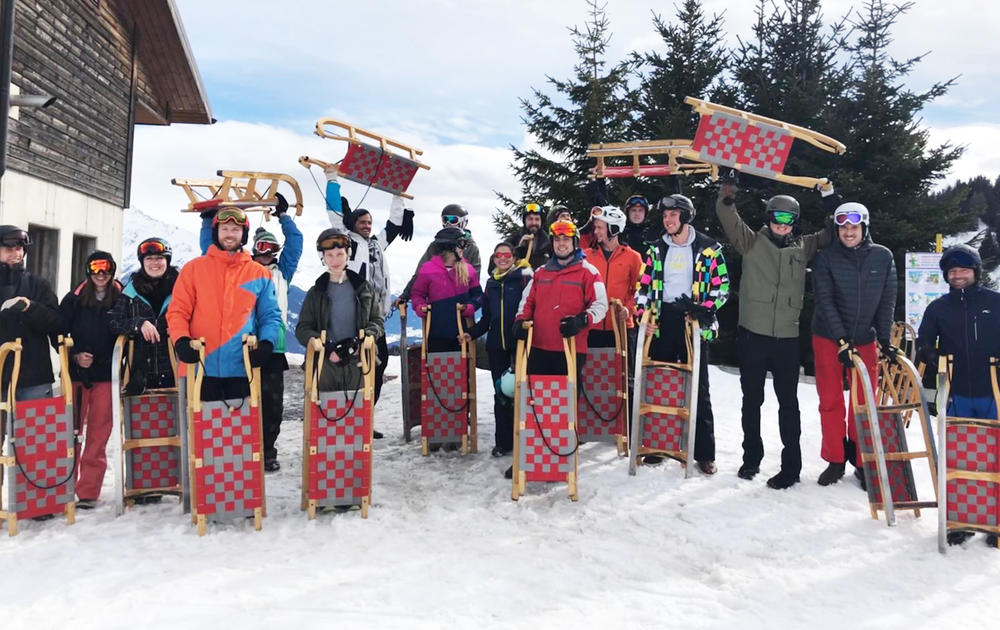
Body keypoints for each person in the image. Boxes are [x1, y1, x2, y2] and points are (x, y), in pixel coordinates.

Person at [716, 175, 835, 489]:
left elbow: (833, 233)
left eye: (789, 220)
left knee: (789, 403)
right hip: (753, 335)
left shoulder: (804, 246)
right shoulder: (751, 242)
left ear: (794, 223)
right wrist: (727, 195)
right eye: (778, 218)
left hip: (786, 338)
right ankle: (750, 459)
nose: (783, 224)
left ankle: (791, 467)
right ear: (769, 219)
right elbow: (729, 217)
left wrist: (829, 199)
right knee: (751, 400)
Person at [635, 195, 729, 474]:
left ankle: (703, 452)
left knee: (699, 387)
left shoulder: (708, 249)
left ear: (685, 217)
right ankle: (658, 445)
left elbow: (722, 285)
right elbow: (643, 287)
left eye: (673, 215)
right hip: (664, 318)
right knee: (660, 380)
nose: (668, 220)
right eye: (665, 216)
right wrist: (644, 318)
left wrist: (704, 309)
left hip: (693, 319)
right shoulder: (656, 249)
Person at [915, 244, 1000, 547]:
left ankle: (994, 522)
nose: (958, 275)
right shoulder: (939, 308)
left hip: (993, 390)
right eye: (952, 271)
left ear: (975, 272)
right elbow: (924, 339)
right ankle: (960, 520)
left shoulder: (995, 302)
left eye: (964, 270)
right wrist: (930, 352)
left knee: (994, 456)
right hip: (956, 390)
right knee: (959, 456)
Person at [510, 219, 608, 478]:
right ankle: (529, 456)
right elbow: (526, 302)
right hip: (540, 347)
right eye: (557, 240)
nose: (561, 244)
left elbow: (601, 306)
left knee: (563, 407)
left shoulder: (589, 272)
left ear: (574, 241)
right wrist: (520, 322)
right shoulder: (541, 273)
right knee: (534, 404)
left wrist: (581, 321)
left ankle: (559, 459)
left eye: (566, 239)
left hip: (571, 349)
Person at [811, 201, 897, 487]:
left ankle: (862, 460)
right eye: (843, 227)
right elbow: (825, 301)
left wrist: (884, 337)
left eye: (854, 226)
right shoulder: (825, 258)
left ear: (864, 227)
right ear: (837, 230)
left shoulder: (883, 257)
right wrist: (841, 340)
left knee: (863, 401)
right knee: (831, 400)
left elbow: (887, 301)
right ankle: (835, 459)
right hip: (827, 337)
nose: (849, 232)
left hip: (864, 338)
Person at [325, 166, 412, 436]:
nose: (367, 226)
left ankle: (364, 418)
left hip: (376, 319)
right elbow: (334, 213)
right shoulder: (345, 242)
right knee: (354, 368)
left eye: (369, 223)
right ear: (352, 225)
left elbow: (394, 226)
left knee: (378, 365)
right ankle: (347, 418)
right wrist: (331, 179)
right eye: (362, 222)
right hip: (352, 316)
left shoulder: (376, 244)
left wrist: (398, 196)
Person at [167, 207, 282, 404]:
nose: (230, 234)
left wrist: (267, 343)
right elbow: (178, 311)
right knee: (201, 430)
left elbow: (270, 316)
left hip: (241, 367)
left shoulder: (259, 273)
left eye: (236, 229)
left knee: (240, 430)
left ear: (243, 235)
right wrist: (181, 340)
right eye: (225, 229)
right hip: (201, 365)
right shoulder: (194, 269)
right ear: (216, 232)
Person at [241, 199, 302, 471]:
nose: (266, 253)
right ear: (253, 249)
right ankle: (245, 449)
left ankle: (267, 450)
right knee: (244, 400)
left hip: (274, 348)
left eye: (272, 248)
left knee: (272, 403)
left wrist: (284, 217)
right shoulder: (242, 269)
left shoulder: (283, 272)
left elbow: (296, 242)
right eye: (261, 247)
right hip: (244, 346)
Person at [59, 251, 122, 509]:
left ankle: (88, 491)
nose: (101, 274)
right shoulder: (74, 299)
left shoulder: (121, 297)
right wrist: (74, 356)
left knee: (98, 435)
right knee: (69, 433)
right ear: (88, 270)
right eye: (96, 269)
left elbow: (127, 328)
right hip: (77, 375)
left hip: (106, 376)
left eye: (106, 269)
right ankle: (62, 485)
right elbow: (58, 332)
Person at [466, 242, 533, 458]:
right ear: (494, 259)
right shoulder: (492, 283)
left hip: (520, 343)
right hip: (496, 346)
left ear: (513, 257)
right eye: (498, 255)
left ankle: (525, 439)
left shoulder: (524, 278)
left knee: (523, 392)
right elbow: (487, 317)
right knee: (501, 394)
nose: (502, 259)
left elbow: (532, 308)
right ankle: (503, 443)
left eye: (507, 254)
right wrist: (472, 333)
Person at [296, 228, 384, 392]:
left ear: (347, 254)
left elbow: (377, 321)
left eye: (339, 254)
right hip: (325, 363)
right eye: (329, 255)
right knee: (324, 413)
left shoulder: (363, 289)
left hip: (358, 361)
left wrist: (364, 338)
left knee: (357, 413)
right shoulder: (316, 293)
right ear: (323, 257)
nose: (335, 260)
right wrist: (325, 346)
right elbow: (303, 329)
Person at [582, 205, 643, 401]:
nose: (596, 231)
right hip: (591, 329)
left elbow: (640, 290)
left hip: (621, 329)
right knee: (590, 378)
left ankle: (625, 427)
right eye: (596, 227)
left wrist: (629, 308)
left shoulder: (633, 258)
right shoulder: (586, 256)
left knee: (623, 380)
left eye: (600, 227)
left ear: (614, 229)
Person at [109, 238, 179, 395]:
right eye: (149, 259)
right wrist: (138, 323)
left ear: (167, 260)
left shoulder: (181, 288)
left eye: (160, 258)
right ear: (142, 262)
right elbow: (113, 322)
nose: (154, 263)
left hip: (176, 370)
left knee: (178, 417)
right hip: (140, 374)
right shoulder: (130, 291)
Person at [0, 225, 61, 401]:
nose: (15, 254)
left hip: (34, 379)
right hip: (1, 375)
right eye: (9, 249)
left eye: (19, 248)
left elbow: (56, 323)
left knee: (36, 429)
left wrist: (31, 308)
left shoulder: (38, 284)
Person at [411, 227, 482, 353]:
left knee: (462, 369)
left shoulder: (468, 270)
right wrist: (420, 306)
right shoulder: (428, 270)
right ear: (449, 247)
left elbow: (478, 295)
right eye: (461, 244)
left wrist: (471, 306)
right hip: (436, 331)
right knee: (439, 367)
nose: (464, 249)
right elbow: (417, 294)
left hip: (462, 332)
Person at [399, 204, 483, 302]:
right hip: (436, 301)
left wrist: (470, 305)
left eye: (453, 220)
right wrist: (405, 296)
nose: (448, 223)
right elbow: (420, 273)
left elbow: (475, 279)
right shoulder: (436, 245)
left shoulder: (471, 247)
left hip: (461, 304)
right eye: (445, 219)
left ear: (464, 222)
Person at [506, 202, 550, 269]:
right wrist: (519, 248)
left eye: (537, 219)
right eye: (530, 219)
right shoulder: (514, 238)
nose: (533, 223)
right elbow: (494, 265)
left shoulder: (548, 242)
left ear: (541, 222)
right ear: (525, 221)